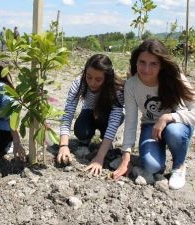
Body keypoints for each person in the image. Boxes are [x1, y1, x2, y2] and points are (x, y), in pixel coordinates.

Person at [113, 39, 195, 190]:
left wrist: (168, 117)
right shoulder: (131, 85)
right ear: (135, 62)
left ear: (161, 65)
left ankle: (179, 166)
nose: (146, 69)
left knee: (174, 132)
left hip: (177, 124)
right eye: (142, 62)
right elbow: (131, 122)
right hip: (151, 127)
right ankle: (158, 153)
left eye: (153, 64)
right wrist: (126, 158)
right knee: (152, 166)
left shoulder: (175, 77)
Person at [56, 54, 125, 176]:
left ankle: (106, 140)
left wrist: (99, 157)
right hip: (90, 112)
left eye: (98, 79)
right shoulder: (79, 83)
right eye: (89, 77)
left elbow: (114, 122)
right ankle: (89, 138)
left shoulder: (117, 89)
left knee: (113, 119)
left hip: (108, 115)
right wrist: (63, 145)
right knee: (81, 131)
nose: (92, 83)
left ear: (107, 78)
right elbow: (68, 113)